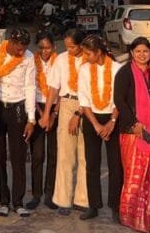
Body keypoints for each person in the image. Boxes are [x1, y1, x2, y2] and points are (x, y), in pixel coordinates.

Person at [115, 37, 150, 232]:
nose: (142, 55)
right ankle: (132, 217)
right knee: (135, 177)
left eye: (145, 51)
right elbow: (119, 101)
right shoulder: (125, 72)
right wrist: (134, 124)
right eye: (138, 51)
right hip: (133, 131)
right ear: (131, 53)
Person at [39, 28, 89, 215]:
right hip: (67, 104)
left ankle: (82, 199)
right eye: (67, 46)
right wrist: (46, 114)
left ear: (81, 44)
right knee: (65, 155)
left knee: (84, 155)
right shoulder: (61, 59)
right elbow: (53, 89)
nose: (69, 50)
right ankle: (63, 199)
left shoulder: (90, 59)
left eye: (73, 47)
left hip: (86, 106)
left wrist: (80, 112)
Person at [0, 28, 37, 217]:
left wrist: (31, 119)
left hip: (18, 107)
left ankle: (18, 202)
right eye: (19, 47)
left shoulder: (28, 57)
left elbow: (30, 86)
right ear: (10, 41)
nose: (21, 51)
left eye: (24, 47)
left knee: (18, 156)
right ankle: (3, 201)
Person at [77, 35, 123, 221]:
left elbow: (120, 99)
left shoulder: (117, 69)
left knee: (115, 165)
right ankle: (93, 205)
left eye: (88, 53)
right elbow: (84, 98)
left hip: (114, 118)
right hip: (91, 118)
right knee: (92, 164)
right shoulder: (84, 69)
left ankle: (115, 206)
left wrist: (112, 122)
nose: (85, 57)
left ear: (98, 52)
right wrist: (96, 125)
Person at [27, 32, 59, 210]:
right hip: (37, 106)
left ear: (54, 47)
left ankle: (50, 194)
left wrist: (52, 115)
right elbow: (28, 87)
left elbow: (64, 89)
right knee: (37, 155)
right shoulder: (31, 61)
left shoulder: (60, 62)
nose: (44, 51)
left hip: (56, 108)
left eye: (47, 47)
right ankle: (36, 194)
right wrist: (40, 113)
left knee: (54, 154)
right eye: (41, 48)